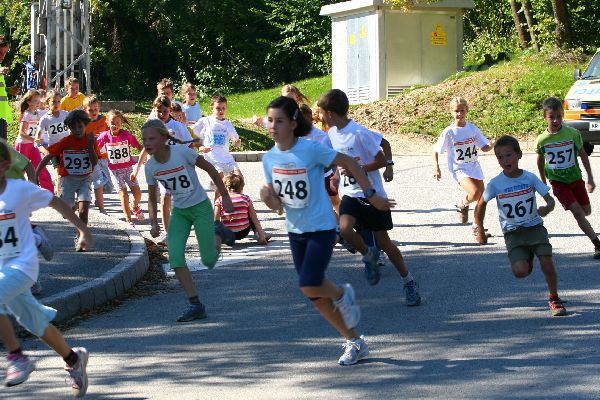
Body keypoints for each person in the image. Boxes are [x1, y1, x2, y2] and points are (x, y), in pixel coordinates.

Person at [261, 96, 394, 365]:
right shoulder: (269, 158)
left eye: (280, 121)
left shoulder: (310, 149)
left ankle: (342, 294)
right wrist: (269, 198)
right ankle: (354, 341)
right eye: (270, 120)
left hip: (321, 227)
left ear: (293, 123)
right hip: (295, 230)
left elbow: (350, 162)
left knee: (309, 282)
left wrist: (370, 193)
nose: (273, 126)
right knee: (313, 293)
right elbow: (279, 206)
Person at [0, 140, 93, 396]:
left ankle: (17, 357)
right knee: (33, 320)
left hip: (22, 265)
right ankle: (73, 359)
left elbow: (56, 202)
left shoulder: (19, 190)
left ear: (5, 165)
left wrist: (82, 229)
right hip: (2, 269)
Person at [318, 89, 421, 306]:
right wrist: (336, 174)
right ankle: (368, 254)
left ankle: (408, 281)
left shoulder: (359, 133)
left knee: (385, 243)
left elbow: (381, 160)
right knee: (344, 229)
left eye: (321, 113)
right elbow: (336, 160)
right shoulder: (332, 135)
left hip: (372, 195)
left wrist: (359, 168)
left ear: (330, 113)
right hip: (350, 194)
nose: (320, 117)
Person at [142, 119, 235, 322]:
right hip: (180, 213)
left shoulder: (182, 153)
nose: (147, 143)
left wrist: (225, 196)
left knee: (209, 261)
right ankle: (195, 304)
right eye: (144, 139)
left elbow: (210, 169)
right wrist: (154, 221)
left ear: (164, 138)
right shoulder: (150, 167)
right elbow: (151, 197)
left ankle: (218, 232)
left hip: (200, 207)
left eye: (151, 138)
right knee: (175, 258)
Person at [474, 135, 567, 316]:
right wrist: (479, 229)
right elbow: (480, 204)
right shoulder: (496, 183)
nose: (504, 160)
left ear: (519, 155)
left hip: (534, 228)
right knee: (520, 272)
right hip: (513, 233)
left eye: (508, 155)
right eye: (500, 157)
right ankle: (528, 256)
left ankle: (554, 298)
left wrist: (547, 208)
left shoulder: (529, 178)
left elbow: (550, 200)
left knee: (547, 262)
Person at [535, 97, 600, 259]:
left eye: (559, 116)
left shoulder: (572, 134)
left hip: (576, 179)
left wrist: (590, 178)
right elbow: (540, 160)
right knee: (578, 212)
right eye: (551, 117)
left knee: (586, 211)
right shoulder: (542, 140)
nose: (555, 120)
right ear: (545, 117)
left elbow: (583, 155)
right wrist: (543, 182)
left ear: (563, 115)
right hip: (558, 183)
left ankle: (586, 226)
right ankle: (597, 244)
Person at [36, 110, 100, 250]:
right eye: (73, 127)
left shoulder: (90, 140)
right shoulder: (65, 142)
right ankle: (71, 207)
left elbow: (94, 162)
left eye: (80, 126)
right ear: (68, 128)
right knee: (67, 212)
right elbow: (48, 156)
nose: (77, 130)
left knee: (84, 212)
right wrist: (36, 173)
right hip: (68, 179)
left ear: (85, 125)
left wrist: (90, 146)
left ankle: (80, 238)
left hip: (85, 179)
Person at [133, 95, 194, 234]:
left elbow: (190, 145)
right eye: (158, 111)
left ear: (170, 111)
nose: (162, 114)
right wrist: (137, 168)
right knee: (165, 196)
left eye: (165, 111)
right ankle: (168, 233)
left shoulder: (177, 126)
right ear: (154, 110)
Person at [433, 97, 495, 231]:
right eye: (456, 111)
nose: (459, 114)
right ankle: (463, 204)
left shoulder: (472, 129)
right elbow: (436, 149)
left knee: (482, 197)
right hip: (459, 168)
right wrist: (436, 167)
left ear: (467, 110)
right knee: (474, 193)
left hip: (474, 166)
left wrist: (490, 146)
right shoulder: (449, 132)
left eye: (462, 110)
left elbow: (483, 147)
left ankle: (477, 226)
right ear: (451, 112)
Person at [97, 110, 144, 227]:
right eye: (112, 122)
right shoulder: (104, 136)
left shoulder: (126, 135)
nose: (115, 125)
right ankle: (129, 220)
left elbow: (138, 147)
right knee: (124, 195)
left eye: (118, 122)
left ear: (121, 123)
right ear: (107, 123)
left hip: (128, 169)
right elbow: (93, 147)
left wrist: (147, 154)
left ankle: (135, 206)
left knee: (138, 194)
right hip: (115, 171)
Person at [192, 94, 242, 199]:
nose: (221, 111)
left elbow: (235, 141)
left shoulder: (228, 124)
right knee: (222, 184)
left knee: (240, 180)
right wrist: (200, 147)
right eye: (218, 108)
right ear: (211, 108)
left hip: (227, 159)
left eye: (223, 108)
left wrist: (237, 143)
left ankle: (239, 205)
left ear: (226, 108)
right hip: (213, 159)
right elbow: (191, 134)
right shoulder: (206, 121)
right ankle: (217, 212)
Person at [214, 173, 271, 244]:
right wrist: (262, 236)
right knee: (249, 214)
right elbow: (255, 219)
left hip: (227, 234)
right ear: (241, 187)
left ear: (225, 187)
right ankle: (258, 235)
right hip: (243, 233)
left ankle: (218, 239)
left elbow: (216, 220)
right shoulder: (245, 198)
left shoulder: (220, 200)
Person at [15, 89, 54, 192]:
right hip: (23, 145)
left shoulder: (37, 114)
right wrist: (35, 139)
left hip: (32, 145)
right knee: (21, 169)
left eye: (38, 100)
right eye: (35, 101)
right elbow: (21, 133)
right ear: (29, 102)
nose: (38, 103)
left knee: (40, 165)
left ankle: (49, 191)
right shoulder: (27, 114)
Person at [84, 94, 112, 214]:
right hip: (92, 158)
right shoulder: (84, 124)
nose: (94, 112)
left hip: (104, 157)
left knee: (109, 187)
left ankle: (96, 192)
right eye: (90, 110)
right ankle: (102, 209)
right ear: (85, 110)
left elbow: (112, 134)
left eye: (96, 109)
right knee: (99, 181)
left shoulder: (104, 120)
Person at [0, 36, 12, 141]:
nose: (2, 56)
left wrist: (9, 90)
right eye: (0, 52)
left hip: (2, 116)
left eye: (4, 53)